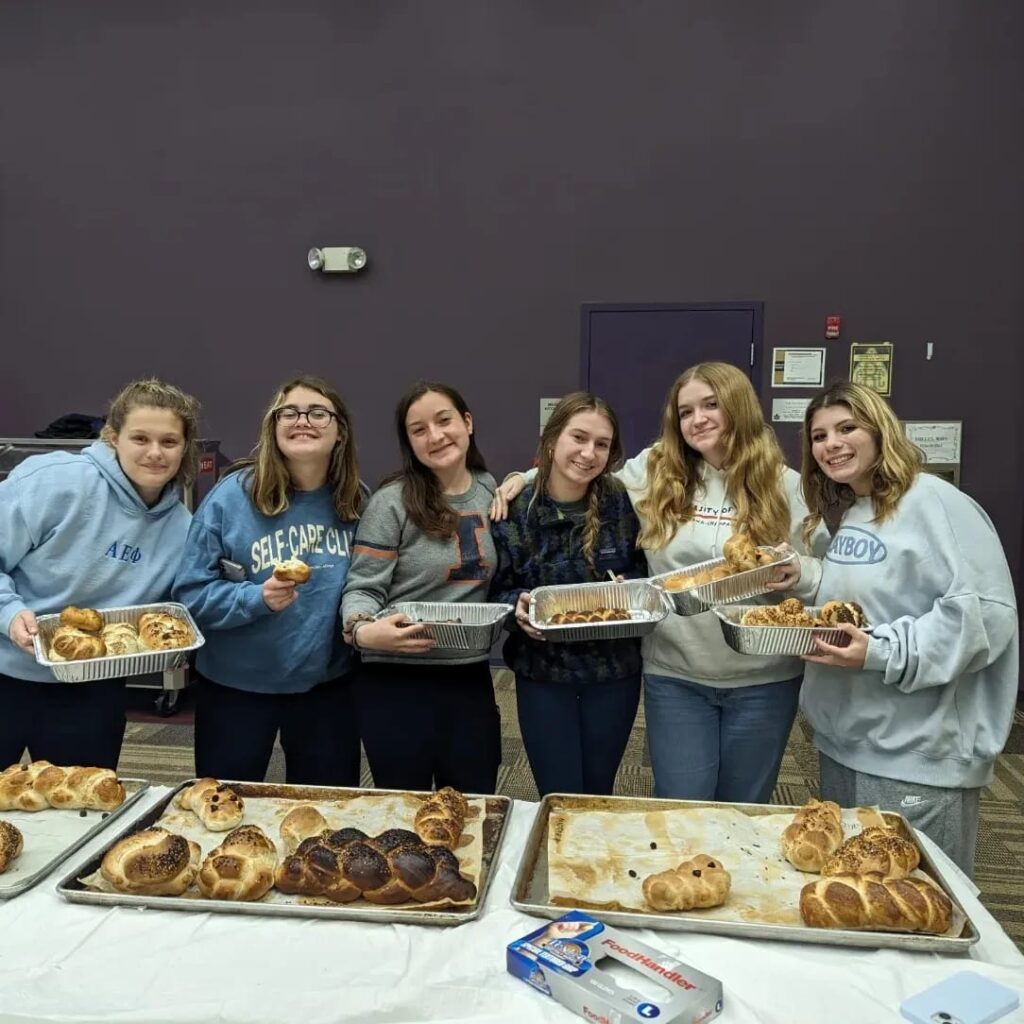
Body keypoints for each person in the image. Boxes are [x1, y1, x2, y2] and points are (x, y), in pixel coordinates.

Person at [496, 362, 822, 804]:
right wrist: (524, 477)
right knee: (679, 804)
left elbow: (823, 577)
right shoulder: (657, 471)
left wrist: (798, 573)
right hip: (676, 672)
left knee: (746, 808)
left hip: (763, 678)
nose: (697, 419)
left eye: (711, 405)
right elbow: (584, 471)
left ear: (740, 408)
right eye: (686, 411)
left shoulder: (787, 487)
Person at [799, 381, 1017, 876]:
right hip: (846, 743)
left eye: (847, 428)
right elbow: (864, 606)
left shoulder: (936, 502)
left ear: (880, 431)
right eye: (819, 435)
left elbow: (983, 615)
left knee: (920, 908)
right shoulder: (857, 512)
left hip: (917, 754)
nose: (830, 444)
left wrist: (877, 652)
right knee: (861, 901)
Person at [0, 378, 201, 769]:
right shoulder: (53, 481)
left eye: (169, 442)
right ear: (112, 437)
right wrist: (8, 614)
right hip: (5, 670)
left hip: (92, 688)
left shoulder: (184, 528)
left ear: (184, 448)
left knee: (79, 811)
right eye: (140, 439)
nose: (155, 453)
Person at [172, 375, 363, 785]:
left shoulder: (356, 501)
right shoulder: (231, 497)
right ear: (273, 428)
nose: (302, 420)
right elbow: (190, 596)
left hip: (325, 688)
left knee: (326, 814)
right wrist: (254, 598)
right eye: (288, 412)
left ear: (340, 431)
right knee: (225, 809)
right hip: (234, 689)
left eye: (318, 412)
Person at [341, 381, 502, 794]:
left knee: (472, 805)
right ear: (408, 442)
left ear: (467, 422)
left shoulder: (491, 489)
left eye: (444, 420)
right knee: (404, 810)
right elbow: (362, 588)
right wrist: (361, 630)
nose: (435, 436)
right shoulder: (391, 502)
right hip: (395, 681)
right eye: (419, 429)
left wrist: (521, 477)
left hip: (467, 677)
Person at [489, 392, 647, 797]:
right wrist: (516, 608)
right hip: (544, 674)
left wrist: (628, 587)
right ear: (552, 439)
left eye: (602, 444)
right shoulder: (515, 508)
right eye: (578, 438)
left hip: (613, 674)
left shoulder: (622, 501)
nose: (588, 453)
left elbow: (644, 568)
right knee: (557, 795)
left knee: (598, 793)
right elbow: (496, 589)